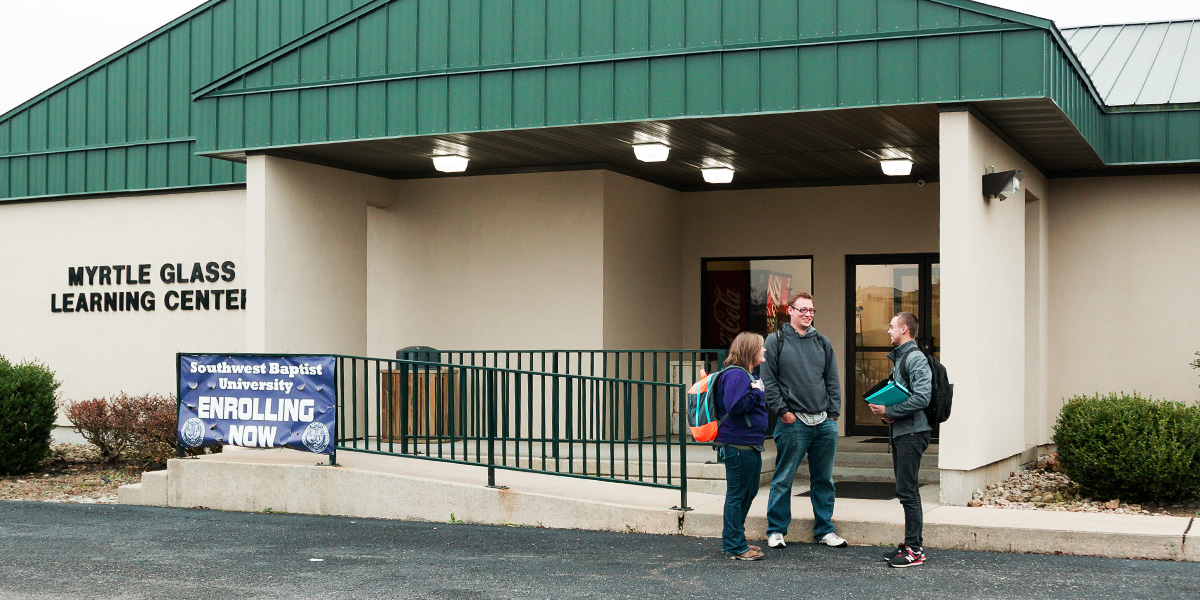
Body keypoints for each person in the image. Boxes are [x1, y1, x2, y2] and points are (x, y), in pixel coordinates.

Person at [762, 292, 847, 549]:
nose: (808, 314)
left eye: (811, 310)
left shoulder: (822, 342)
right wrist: (783, 412)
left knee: (823, 479)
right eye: (803, 310)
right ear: (790, 311)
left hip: (824, 422)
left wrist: (833, 414)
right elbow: (768, 381)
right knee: (783, 477)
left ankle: (824, 530)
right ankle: (776, 530)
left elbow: (832, 380)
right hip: (792, 422)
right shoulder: (775, 340)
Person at [868, 311, 932, 568]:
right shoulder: (901, 358)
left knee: (908, 491)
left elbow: (922, 397)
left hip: (913, 433)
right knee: (905, 490)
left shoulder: (914, 358)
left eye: (892, 326)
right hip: (903, 430)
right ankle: (911, 543)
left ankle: (915, 550)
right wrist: (888, 417)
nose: (888, 331)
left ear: (904, 329)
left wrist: (890, 411)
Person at [714, 332, 770, 560]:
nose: (764, 351)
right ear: (750, 350)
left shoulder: (746, 374)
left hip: (748, 443)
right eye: (761, 347)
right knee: (737, 495)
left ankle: (736, 540)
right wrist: (757, 392)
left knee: (748, 492)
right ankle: (734, 546)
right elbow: (736, 406)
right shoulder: (737, 375)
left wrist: (755, 389)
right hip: (738, 444)